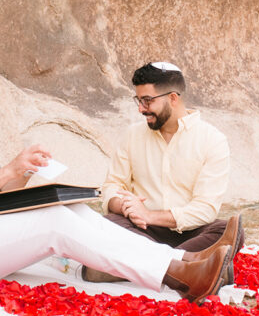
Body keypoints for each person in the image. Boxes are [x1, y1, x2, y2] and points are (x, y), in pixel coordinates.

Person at [0, 43, 235, 303]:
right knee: (54, 224)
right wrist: (9, 169)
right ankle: (179, 273)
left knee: (69, 209)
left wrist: (23, 173)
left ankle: (185, 260)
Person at [86, 62, 243, 283]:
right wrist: (126, 207)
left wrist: (149, 214)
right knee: (108, 224)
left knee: (225, 230)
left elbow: (205, 209)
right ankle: (187, 267)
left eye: (147, 101)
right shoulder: (132, 135)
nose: (141, 108)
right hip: (143, 230)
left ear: (172, 98)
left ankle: (129, 267)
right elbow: (112, 186)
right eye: (139, 100)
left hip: (190, 232)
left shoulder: (212, 140)